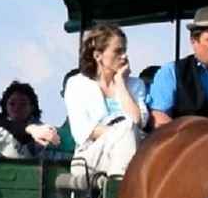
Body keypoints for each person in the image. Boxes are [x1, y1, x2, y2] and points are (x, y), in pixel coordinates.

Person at [63, 24, 149, 183]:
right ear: (98, 56)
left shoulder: (135, 85)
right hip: (90, 156)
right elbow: (85, 130)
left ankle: (118, 185)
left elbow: (138, 120)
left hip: (132, 153)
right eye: (118, 51)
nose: (124, 56)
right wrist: (123, 133)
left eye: (125, 50)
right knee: (128, 129)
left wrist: (121, 83)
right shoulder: (77, 84)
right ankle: (119, 192)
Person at [0, 80, 50, 155]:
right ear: (5, 107)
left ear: (32, 107)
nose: (17, 108)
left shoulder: (42, 132)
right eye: (12, 104)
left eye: (23, 104)